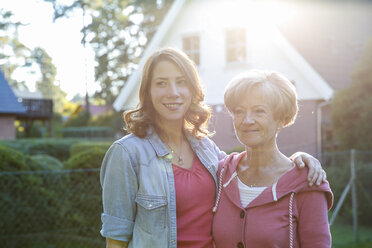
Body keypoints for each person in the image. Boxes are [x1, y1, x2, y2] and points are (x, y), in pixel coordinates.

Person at [100, 48, 326, 248]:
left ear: (192, 90)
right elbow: (116, 239)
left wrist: (299, 160)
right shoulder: (127, 154)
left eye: (181, 82)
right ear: (147, 91)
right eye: (161, 83)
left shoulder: (205, 148)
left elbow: (253, 162)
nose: (173, 92)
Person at [212, 70, 333, 248]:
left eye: (259, 111)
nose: (247, 120)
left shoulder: (307, 183)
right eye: (239, 111)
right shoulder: (221, 173)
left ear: (281, 120)